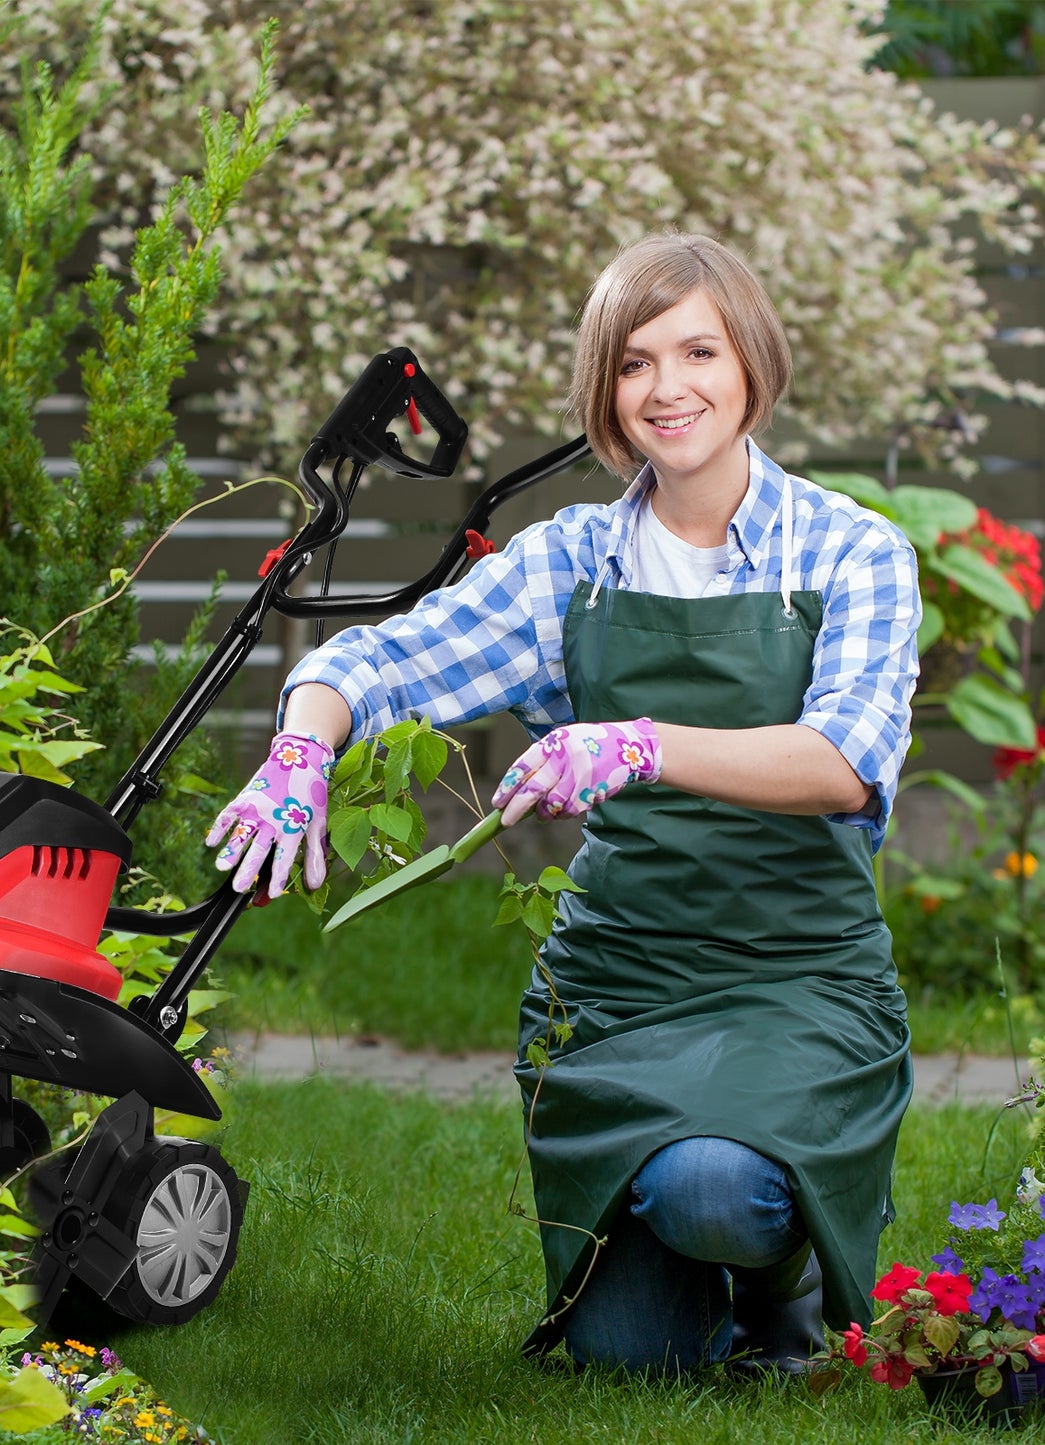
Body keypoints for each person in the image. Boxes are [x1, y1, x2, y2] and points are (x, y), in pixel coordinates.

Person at [206, 233, 919, 1374]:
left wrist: (637, 742)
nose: (666, 388)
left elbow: (841, 760)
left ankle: (772, 1269)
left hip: (794, 973)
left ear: (752, 361)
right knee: (631, 1359)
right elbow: (388, 659)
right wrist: (301, 743)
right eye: (632, 362)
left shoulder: (849, 553)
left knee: (715, 1192)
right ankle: (679, 1246)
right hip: (619, 984)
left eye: (697, 349)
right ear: (604, 387)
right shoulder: (572, 560)